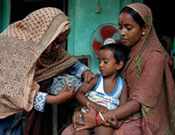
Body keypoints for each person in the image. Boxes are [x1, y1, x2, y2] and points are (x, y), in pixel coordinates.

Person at [62, 3, 175, 135]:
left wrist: (100, 118)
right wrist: (82, 110)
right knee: (69, 132)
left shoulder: (155, 58)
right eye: (120, 27)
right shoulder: (119, 48)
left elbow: (137, 103)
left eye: (128, 28)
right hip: (110, 109)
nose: (122, 33)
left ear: (144, 28)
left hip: (138, 117)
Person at [0, 7, 94, 135]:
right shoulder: (12, 46)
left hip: (16, 116)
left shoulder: (46, 46)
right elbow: (15, 89)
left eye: (61, 43)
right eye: (55, 42)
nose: (57, 47)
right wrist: (54, 99)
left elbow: (67, 61)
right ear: (44, 33)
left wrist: (84, 71)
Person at [73, 43, 129, 135]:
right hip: (86, 116)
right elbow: (79, 93)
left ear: (118, 65)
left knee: (105, 132)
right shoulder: (96, 79)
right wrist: (95, 106)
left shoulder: (122, 85)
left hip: (104, 120)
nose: (100, 65)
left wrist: (117, 124)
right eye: (99, 62)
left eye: (105, 62)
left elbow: (123, 108)